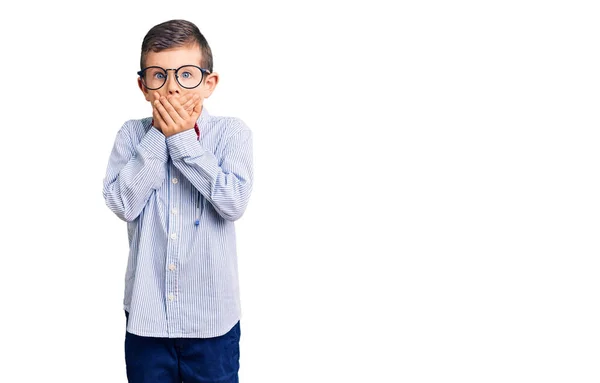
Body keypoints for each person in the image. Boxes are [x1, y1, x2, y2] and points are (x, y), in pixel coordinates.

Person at [102, 19, 253, 383]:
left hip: (212, 322)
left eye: (186, 74)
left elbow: (233, 202)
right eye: (158, 75)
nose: (171, 88)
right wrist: (158, 137)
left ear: (209, 83)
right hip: (147, 320)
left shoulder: (232, 132)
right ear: (143, 86)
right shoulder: (131, 135)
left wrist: (184, 140)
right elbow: (122, 203)